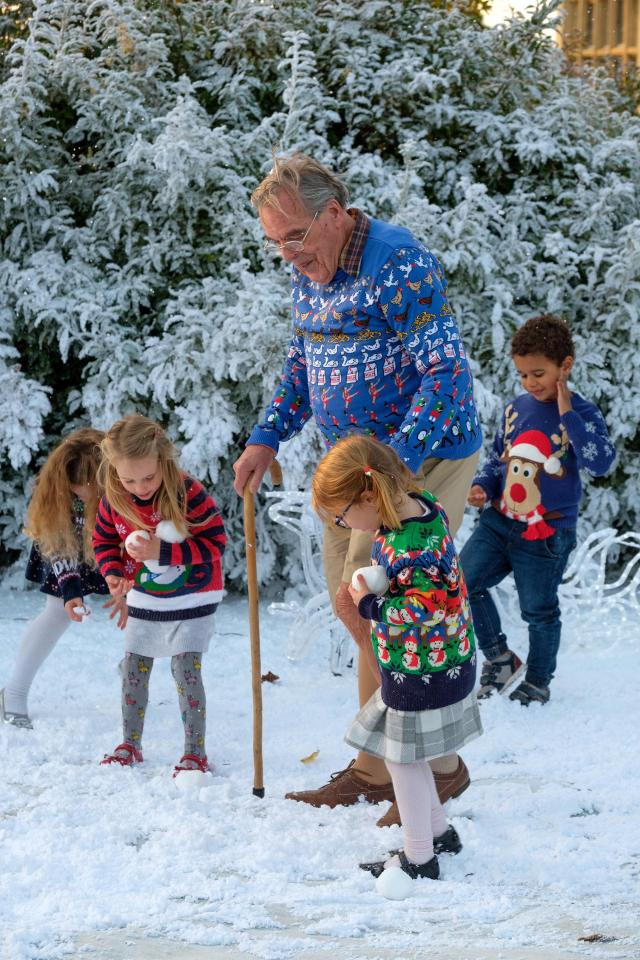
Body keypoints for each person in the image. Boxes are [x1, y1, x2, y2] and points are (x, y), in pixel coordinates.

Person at [233, 153, 482, 827]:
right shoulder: (312, 277)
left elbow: (445, 376)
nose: (287, 254)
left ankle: (431, 769)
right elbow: (303, 362)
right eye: (274, 242)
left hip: (420, 462)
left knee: (399, 606)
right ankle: (391, 767)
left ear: (335, 215)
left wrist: (389, 473)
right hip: (355, 474)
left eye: (294, 236)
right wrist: (267, 436)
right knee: (356, 606)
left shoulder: (396, 261)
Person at [312, 435, 482, 883]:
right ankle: (440, 832)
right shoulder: (422, 506)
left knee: (402, 759)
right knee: (414, 756)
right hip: (439, 660)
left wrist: (369, 602)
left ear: (370, 494)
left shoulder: (411, 545)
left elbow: (423, 608)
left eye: (343, 514)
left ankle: (420, 857)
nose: (343, 523)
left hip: (423, 668)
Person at [461, 315, 616, 705]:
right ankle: (499, 658)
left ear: (565, 366)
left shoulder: (583, 414)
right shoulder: (515, 409)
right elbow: (499, 459)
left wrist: (568, 415)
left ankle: (538, 680)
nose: (531, 383)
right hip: (499, 522)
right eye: (523, 375)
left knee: (539, 611)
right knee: (463, 582)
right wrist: (483, 485)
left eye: (539, 373)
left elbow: (599, 462)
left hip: (545, 534)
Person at [92, 414, 226, 775]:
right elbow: (104, 540)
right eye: (128, 478)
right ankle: (129, 744)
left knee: (186, 669)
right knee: (134, 669)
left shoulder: (189, 494)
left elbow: (216, 544)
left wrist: (162, 554)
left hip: (193, 599)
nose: (139, 486)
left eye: (149, 477)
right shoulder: (115, 498)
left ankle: (194, 752)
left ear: (164, 461)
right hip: (146, 600)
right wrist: (114, 573)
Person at [0, 428, 126, 730]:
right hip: (67, 551)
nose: (82, 492)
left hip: (112, 549)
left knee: (146, 612)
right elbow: (57, 546)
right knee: (57, 612)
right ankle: (14, 693)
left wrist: (122, 579)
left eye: (89, 486)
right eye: (76, 486)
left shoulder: (124, 486)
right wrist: (71, 593)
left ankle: (133, 673)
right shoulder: (57, 496)